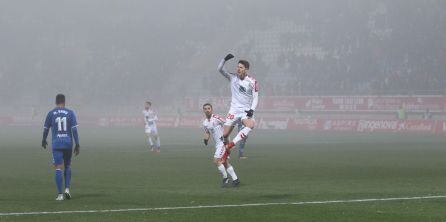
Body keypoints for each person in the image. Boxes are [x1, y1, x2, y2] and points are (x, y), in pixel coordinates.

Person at [217, 54, 258, 156]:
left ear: (246, 69)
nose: (238, 69)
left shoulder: (252, 82)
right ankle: (227, 149)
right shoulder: (232, 77)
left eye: (241, 67)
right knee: (225, 135)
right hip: (233, 110)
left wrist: (252, 109)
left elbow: (256, 97)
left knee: (251, 125)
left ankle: (232, 144)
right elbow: (220, 69)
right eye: (237, 67)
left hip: (246, 110)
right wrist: (224, 59)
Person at [42, 94, 80, 201]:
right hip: (68, 143)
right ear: (64, 102)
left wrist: (43, 139)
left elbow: (46, 129)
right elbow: (74, 130)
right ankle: (67, 189)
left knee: (58, 167)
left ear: (56, 102)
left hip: (57, 143)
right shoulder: (70, 113)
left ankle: (60, 194)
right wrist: (77, 144)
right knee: (67, 166)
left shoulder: (51, 113)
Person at [202, 103, 240, 187]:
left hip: (223, 143)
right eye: (205, 109)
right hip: (218, 144)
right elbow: (207, 132)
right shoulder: (205, 123)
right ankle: (235, 179)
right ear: (203, 110)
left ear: (212, 109)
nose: (207, 110)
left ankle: (225, 178)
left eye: (209, 108)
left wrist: (226, 138)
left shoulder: (216, 118)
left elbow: (227, 124)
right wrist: (206, 139)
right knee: (225, 162)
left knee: (216, 161)